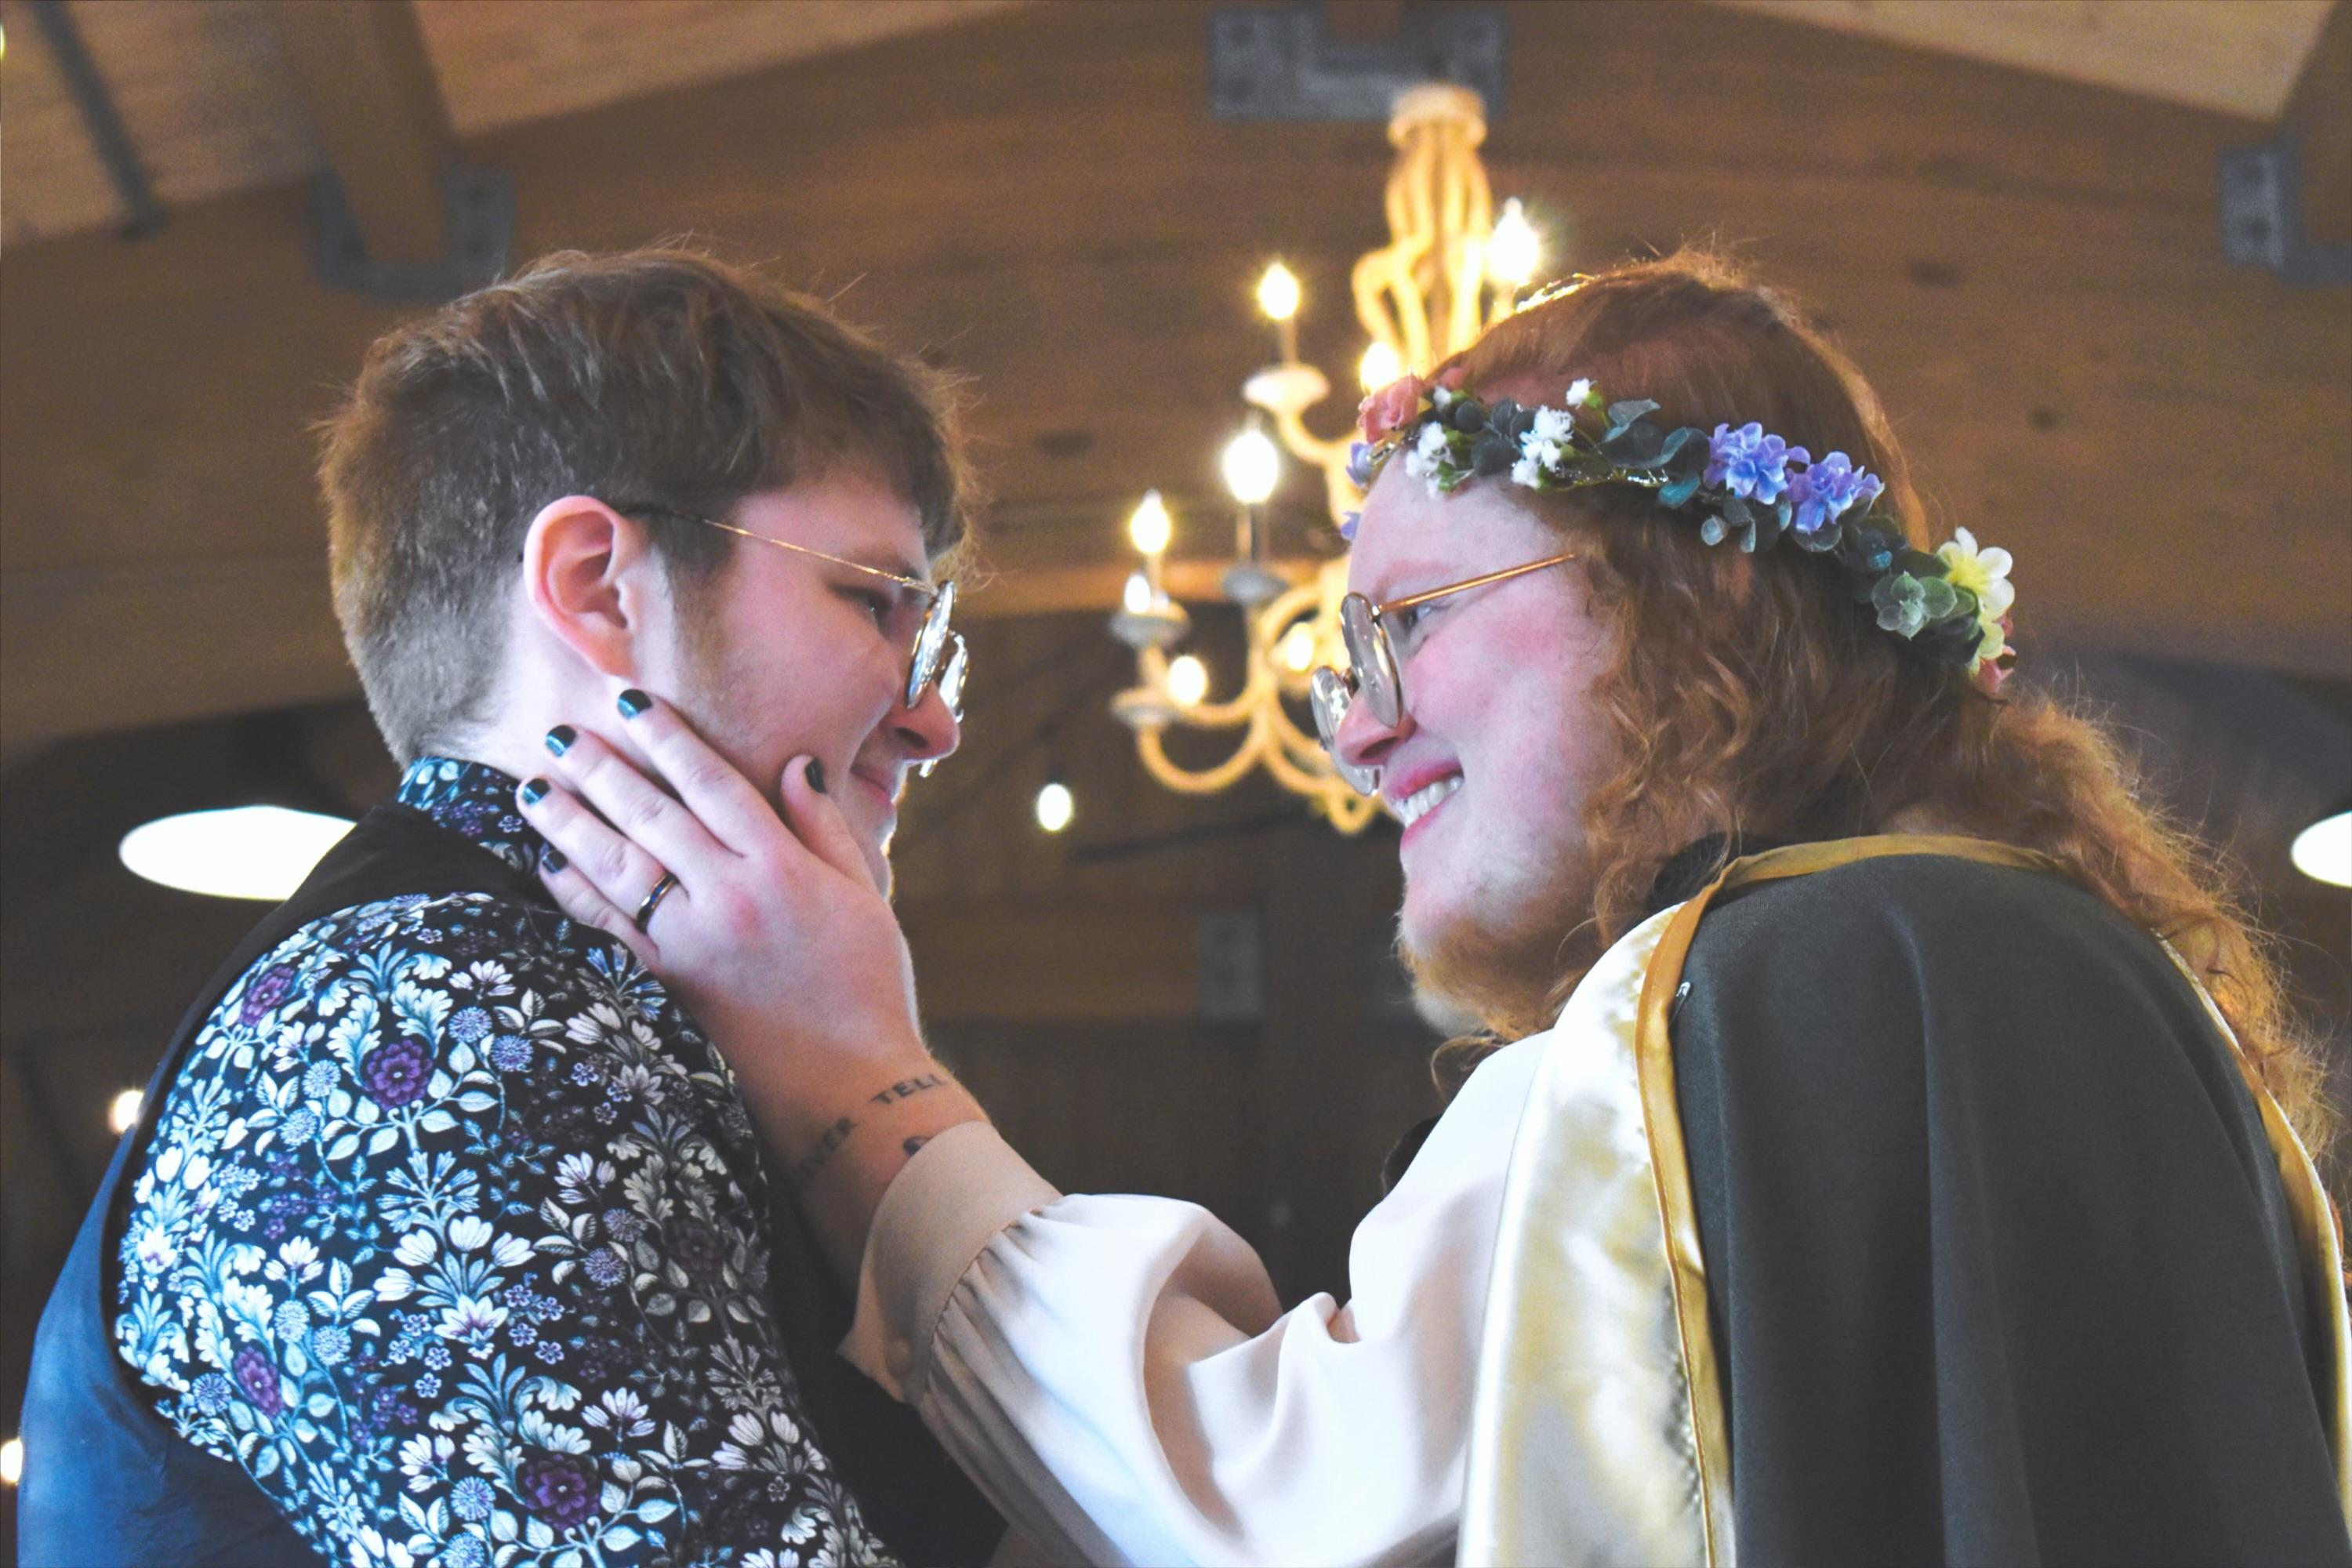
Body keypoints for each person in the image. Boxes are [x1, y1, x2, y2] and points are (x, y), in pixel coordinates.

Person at [514, 252, 2352, 1565]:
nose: (1356, 727)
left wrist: (860, 1075)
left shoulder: (1725, 1006)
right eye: (1340, 656)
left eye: (1408, 624)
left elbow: (1272, 1508)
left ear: (1698, 596)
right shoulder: (2100, 989)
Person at [18, 249, 1005, 1567]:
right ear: (596, 583)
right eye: (875, 602)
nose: (934, 722)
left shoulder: (597, 1009)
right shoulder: (424, 1031)